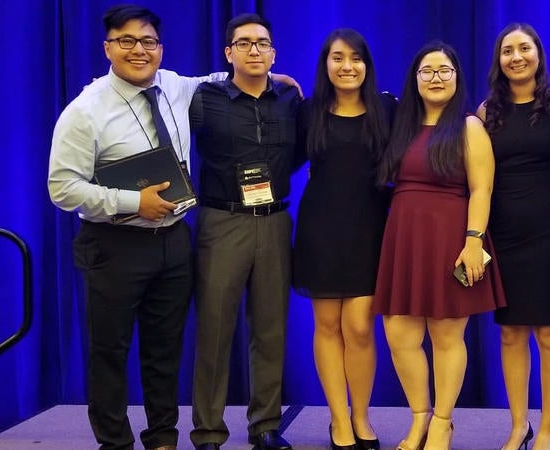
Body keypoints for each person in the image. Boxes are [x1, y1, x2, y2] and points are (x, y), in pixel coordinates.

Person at [47, 4, 234, 450]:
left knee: (165, 351)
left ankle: (163, 438)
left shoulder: (172, 85)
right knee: (109, 353)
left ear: (160, 48)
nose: (139, 50)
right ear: (107, 47)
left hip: (173, 242)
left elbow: (214, 81)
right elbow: (62, 188)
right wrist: (133, 202)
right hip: (114, 245)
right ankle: (115, 442)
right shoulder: (85, 110)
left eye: (148, 42)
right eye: (126, 41)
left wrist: (270, 81)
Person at [373, 41, 505, 450]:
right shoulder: (401, 125)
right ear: (414, 80)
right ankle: (419, 417)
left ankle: (442, 423)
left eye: (444, 70)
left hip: (453, 239)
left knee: (447, 336)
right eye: (426, 70)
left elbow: (482, 190)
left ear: (457, 77)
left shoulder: (469, 126)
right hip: (404, 240)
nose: (435, 77)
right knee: (399, 335)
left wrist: (473, 242)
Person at [188, 12, 302, 450]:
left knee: (270, 329)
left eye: (263, 43)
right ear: (228, 52)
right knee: (215, 330)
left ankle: (265, 426)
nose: (255, 50)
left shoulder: (290, 98)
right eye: (245, 43)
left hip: (275, 221)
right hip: (222, 221)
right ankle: (208, 432)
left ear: (273, 52)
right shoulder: (204, 98)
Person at [477, 23, 550, 450]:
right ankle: (519, 425)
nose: (516, 57)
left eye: (524, 48)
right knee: (510, 333)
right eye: (507, 51)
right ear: (498, 61)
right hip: (505, 236)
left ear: (539, 54)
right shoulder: (486, 113)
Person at [291, 28, 395, 450]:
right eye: (337, 58)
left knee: (359, 327)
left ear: (366, 65)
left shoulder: (387, 108)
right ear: (325, 64)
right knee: (327, 325)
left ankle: (361, 415)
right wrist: (281, 82)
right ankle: (338, 420)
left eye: (355, 58)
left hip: (370, 230)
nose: (346, 66)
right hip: (320, 229)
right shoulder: (308, 110)